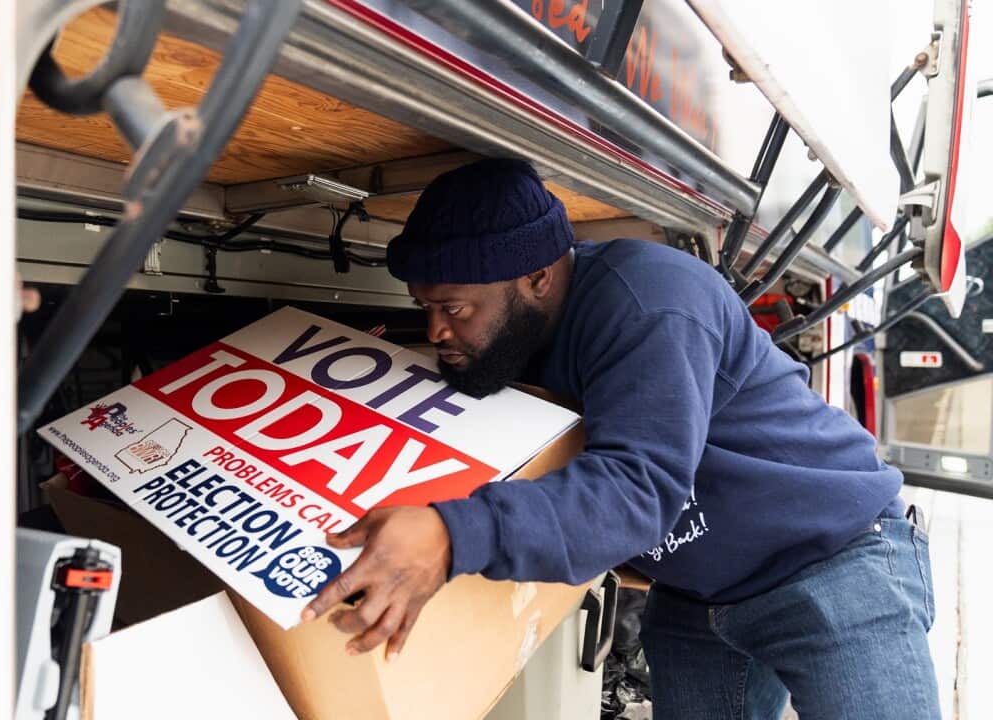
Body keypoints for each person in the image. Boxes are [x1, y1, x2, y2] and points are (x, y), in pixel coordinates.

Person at [301, 159, 940, 719]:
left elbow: (638, 490)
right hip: (699, 596)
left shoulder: (650, 302)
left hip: (827, 562)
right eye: (425, 307)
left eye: (456, 308)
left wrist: (448, 535)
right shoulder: (518, 333)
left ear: (538, 279)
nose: (437, 329)